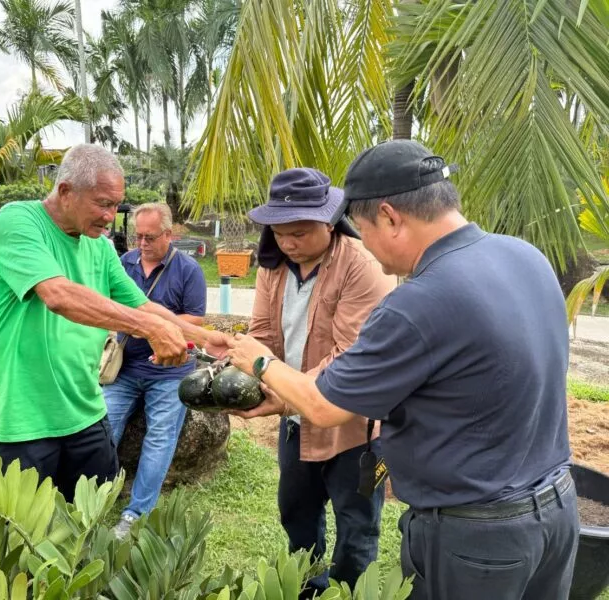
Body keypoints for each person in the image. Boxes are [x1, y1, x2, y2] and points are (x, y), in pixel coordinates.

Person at [227, 140, 579, 600]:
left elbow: (324, 406)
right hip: (556, 510)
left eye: (363, 228)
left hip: (477, 537)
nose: (362, 243)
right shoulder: (525, 256)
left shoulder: (419, 300)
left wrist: (259, 361)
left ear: (391, 216)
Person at [0, 144, 228, 502]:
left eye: (115, 204)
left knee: (87, 526)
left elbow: (142, 304)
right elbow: (59, 296)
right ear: (65, 192)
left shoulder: (99, 246)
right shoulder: (18, 221)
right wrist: (150, 330)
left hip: (85, 412)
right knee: (24, 541)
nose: (111, 216)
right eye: (103, 203)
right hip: (21, 421)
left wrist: (204, 337)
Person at [245, 168, 395, 594]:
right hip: (296, 424)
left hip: (360, 433)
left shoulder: (364, 266)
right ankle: (309, 586)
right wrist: (246, 371)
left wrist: (282, 393)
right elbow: (262, 333)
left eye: (299, 233)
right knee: (296, 512)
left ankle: (347, 590)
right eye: (279, 233)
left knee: (358, 523)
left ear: (329, 222)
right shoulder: (273, 266)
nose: (288, 243)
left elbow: (348, 357)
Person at [104, 203, 207, 538]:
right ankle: (94, 498)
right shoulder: (125, 262)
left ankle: (136, 513)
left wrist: (150, 322)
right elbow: (109, 304)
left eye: (149, 236)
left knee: (160, 438)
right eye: (138, 236)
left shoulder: (188, 269)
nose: (142, 242)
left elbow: (195, 321)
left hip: (169, 372)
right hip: (125, 367)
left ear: (168, 234)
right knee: (103, 427)